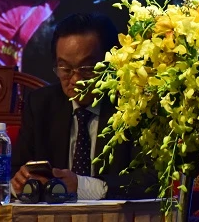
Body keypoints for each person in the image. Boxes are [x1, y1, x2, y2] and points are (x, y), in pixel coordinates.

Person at [10, 12, 156, 200]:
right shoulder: (40, 105)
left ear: (111, 64)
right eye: (65, 69)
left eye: (86, 69)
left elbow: (150, 180)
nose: (76, 79)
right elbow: (14, 171)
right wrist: (20, 181)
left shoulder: (134, 105)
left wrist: (83, 186)